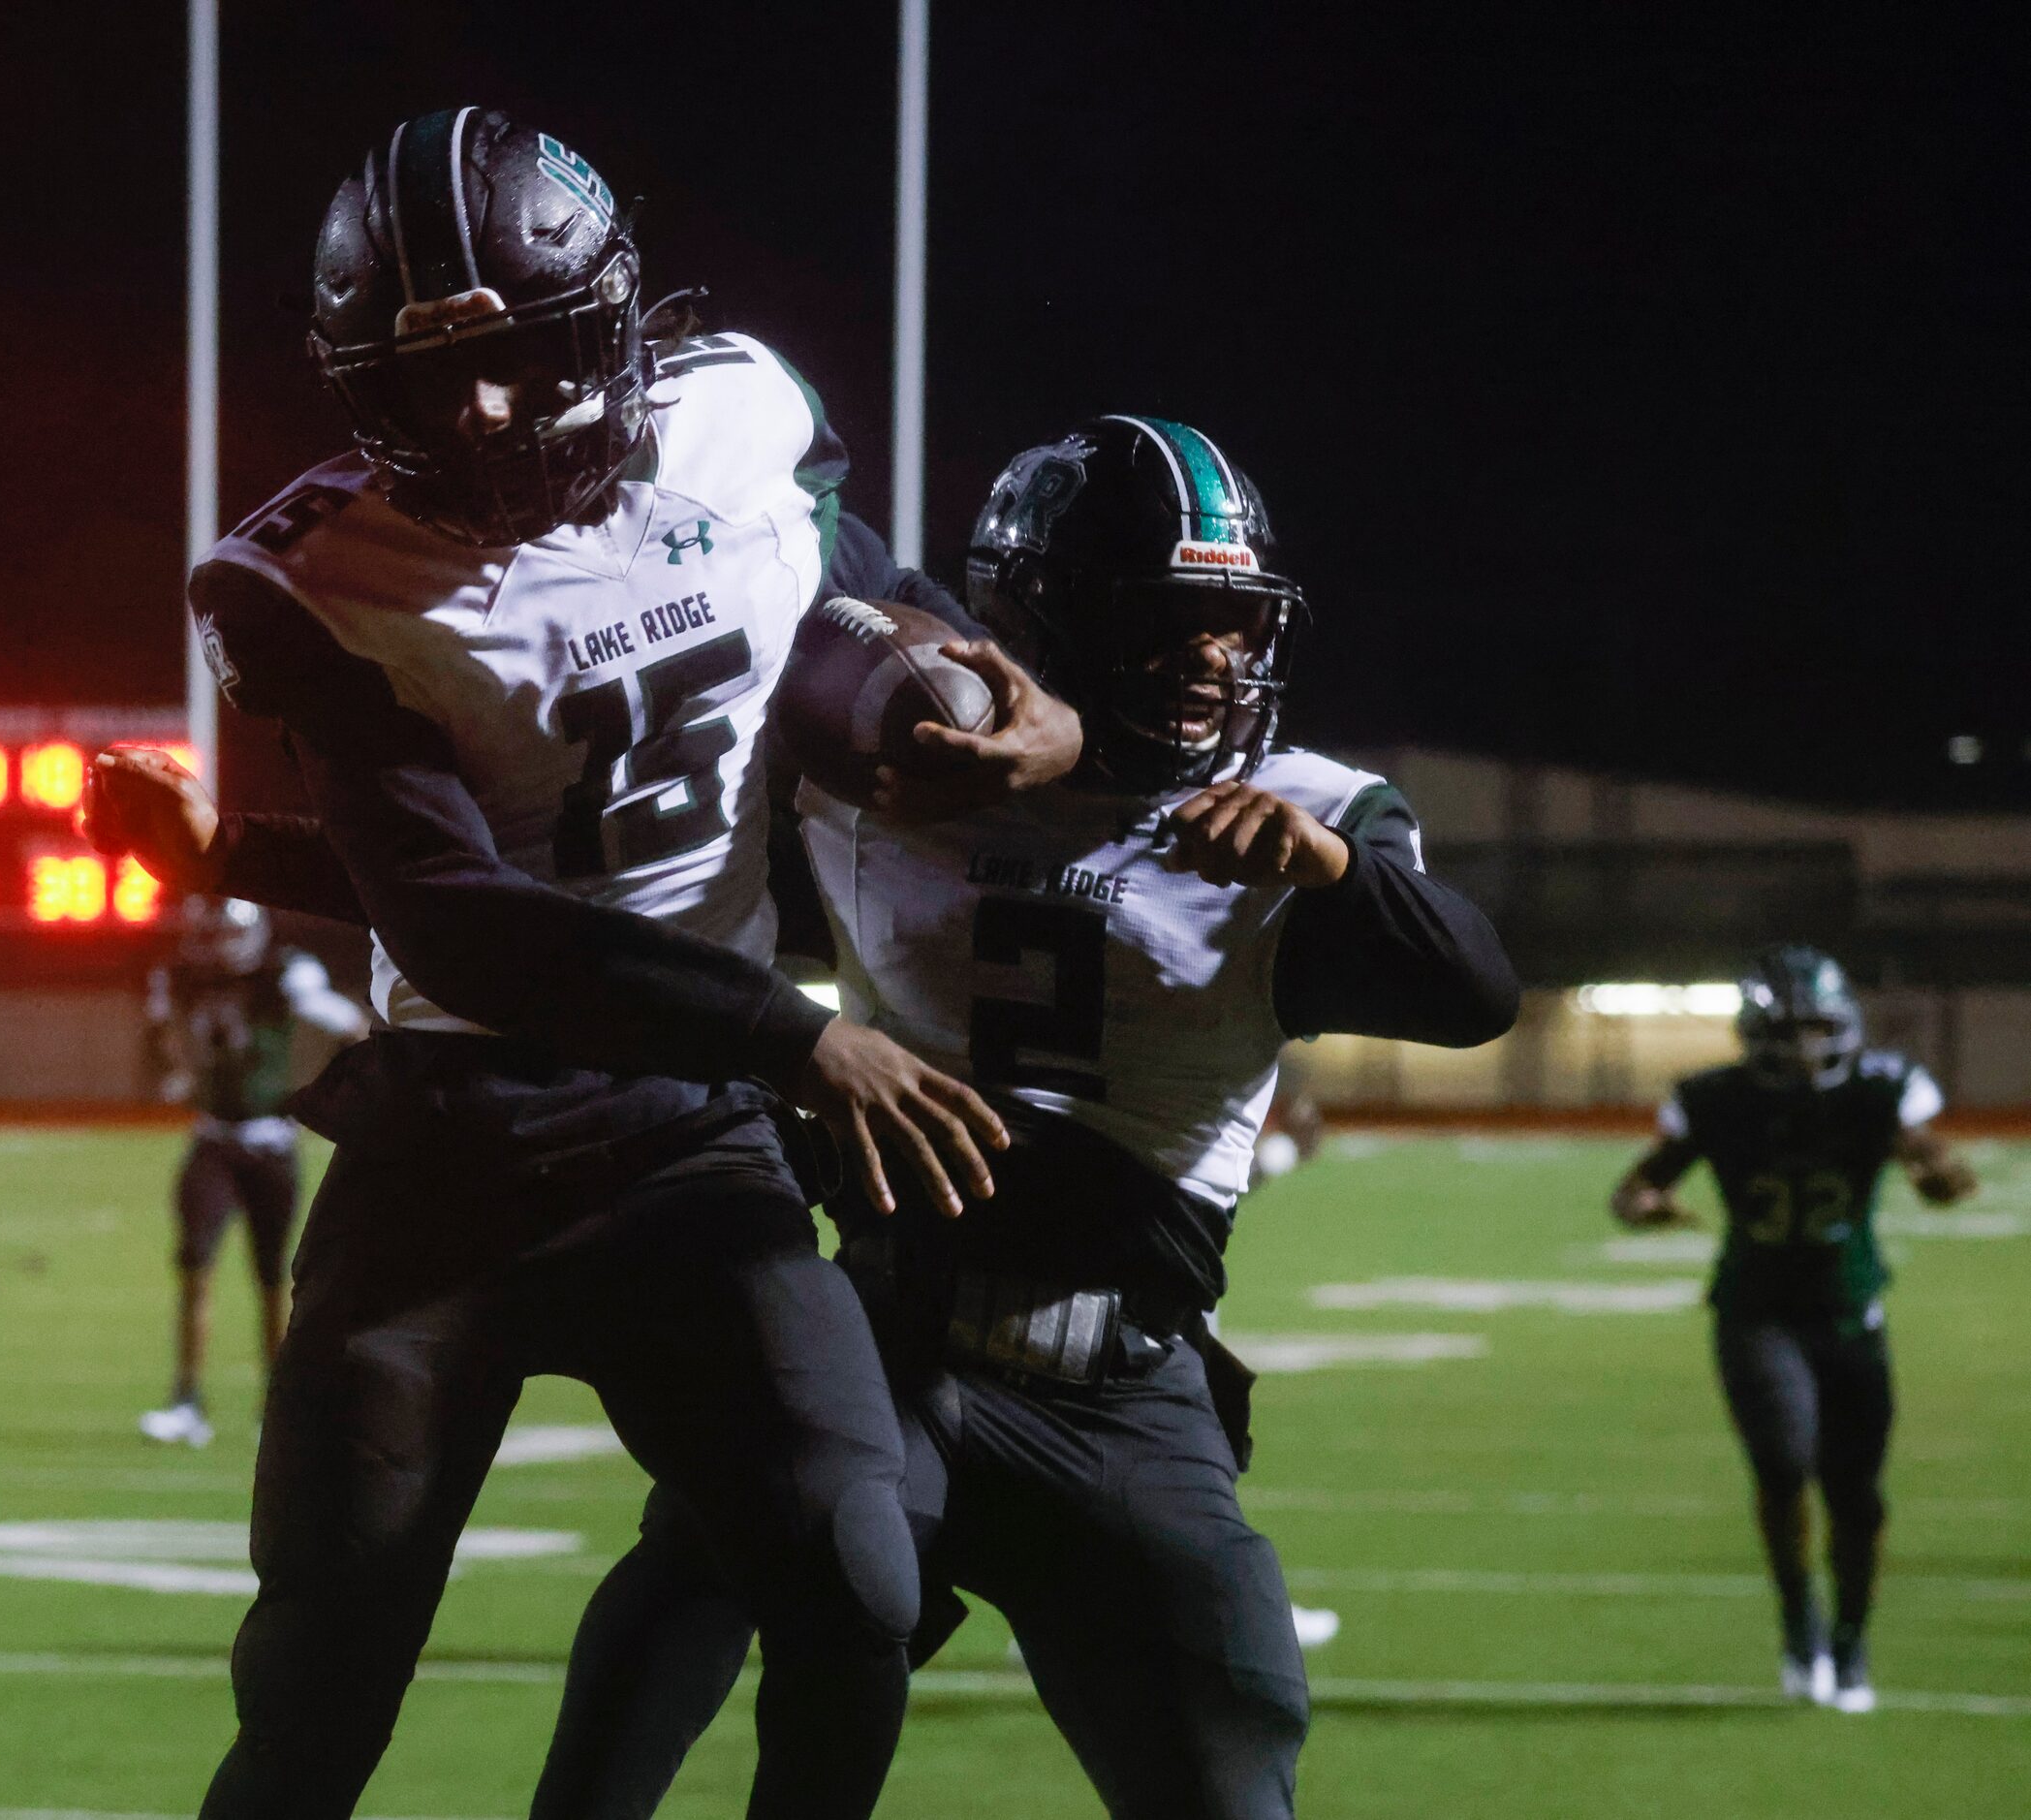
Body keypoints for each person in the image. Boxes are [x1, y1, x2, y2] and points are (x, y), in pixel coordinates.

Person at [124, 416, 1518, 1817]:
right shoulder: (883, 783)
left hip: (1117, 1393)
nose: (1214, 663)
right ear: (1053, 619)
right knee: (709, 1584)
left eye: (1232, 625)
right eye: (1174, 625)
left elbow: (1468, 988)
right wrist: (237, 853)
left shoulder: (1292, 813)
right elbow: (585, 899)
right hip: (890, 1334)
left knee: (1229, 1759)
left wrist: (1340, 873)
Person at [84, 107, 1080, 1820]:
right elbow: (455, 912)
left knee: (858, 1591)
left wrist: (1021, 709)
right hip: (452, 1155)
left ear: (612, 323)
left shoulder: (739, 421)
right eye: (422, 384)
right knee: (322, 1682)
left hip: (684, 1143)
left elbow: (872, 603)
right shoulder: (306, 578)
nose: (478, 415)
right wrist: (797, 1038)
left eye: (522, 362)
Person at [1609, 945, 1978, 1712]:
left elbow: (1934, 1163)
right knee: (1782, 1467)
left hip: (1850, 1313)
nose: (1807, 1046)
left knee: (1857, 1496)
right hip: (1755, 1313)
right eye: (1791, 1029)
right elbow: (1637, 1183)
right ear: (1756, 1030)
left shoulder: (1883, 1090)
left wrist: (1938, 1173)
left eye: (1818, 1027)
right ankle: (1796, 1621)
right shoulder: (1716, 1098)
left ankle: (1849, 1640)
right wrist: (1644, 1206)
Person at [139, 895, 367, 1448]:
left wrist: (344, 1091)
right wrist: (177, 1067)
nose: (216, 949)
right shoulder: (182, 976)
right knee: (195, 1264)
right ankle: (186, 1402)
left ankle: (278, 1404)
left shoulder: (285, 974)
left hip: (271, 1142)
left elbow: (350, 1024)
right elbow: (161, 1036)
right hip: (213, 1137)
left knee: (272, 1282)